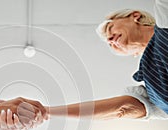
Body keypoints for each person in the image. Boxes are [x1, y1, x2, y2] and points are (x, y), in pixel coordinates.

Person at [39, 0, 168, 120]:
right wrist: (47, 111)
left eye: (110, 28)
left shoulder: (165, 18)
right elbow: (121, 108)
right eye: (109, 43)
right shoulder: (153, 92)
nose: (110, 39)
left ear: (135, 16)